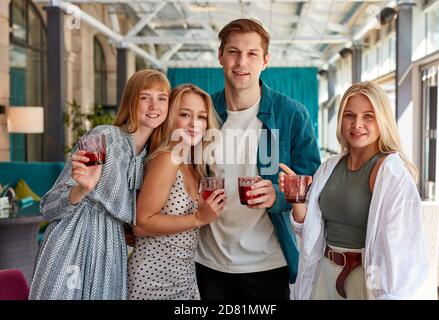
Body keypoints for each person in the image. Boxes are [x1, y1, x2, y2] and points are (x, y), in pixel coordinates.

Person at [195, 19, 321, 300]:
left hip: (268, 263)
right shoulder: (203, 112)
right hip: (207, 261)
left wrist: (276, 194)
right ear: (220, 56)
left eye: (252, 54)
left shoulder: (291, 114)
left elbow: (313, 186)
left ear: (265, 60)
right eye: (233, 52)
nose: (242, 62)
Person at [29, 69, 171, 300]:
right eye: (145, 97)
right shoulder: (104, 136)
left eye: (161, 98)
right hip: (73, 239)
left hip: (111, 248)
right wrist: (82, 189)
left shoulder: (153, 156)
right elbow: (48, 208)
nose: (154, 105)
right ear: (131, 101)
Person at [279, 81, 428, 300]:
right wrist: (295, 197)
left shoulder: (391, 173)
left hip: (366, 283)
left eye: (368, 116)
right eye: (350, 115)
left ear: (382, 120)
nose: (357, 124)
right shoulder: (329, 167)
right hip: (325, 274)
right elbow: (309, 230)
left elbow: (402, 249)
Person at [127, 84, 226, 300]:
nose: (194, 124)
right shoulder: (167, 158)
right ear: (171, 117)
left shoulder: (195, 164)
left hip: (185, 279)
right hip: (151, 281)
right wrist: (199, 217)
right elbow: (141, 224)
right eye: (185, 115)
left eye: (201, 117)